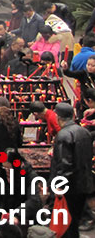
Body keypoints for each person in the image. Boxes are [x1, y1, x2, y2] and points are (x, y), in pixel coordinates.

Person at [51, 102, 94, 238]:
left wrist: (59, 186)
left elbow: (65, 164)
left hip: (70, 186)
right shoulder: (84, 132)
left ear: (58, 117)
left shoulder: (63, 135)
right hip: (84, 183)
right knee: (74, 221)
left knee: (67, 223)